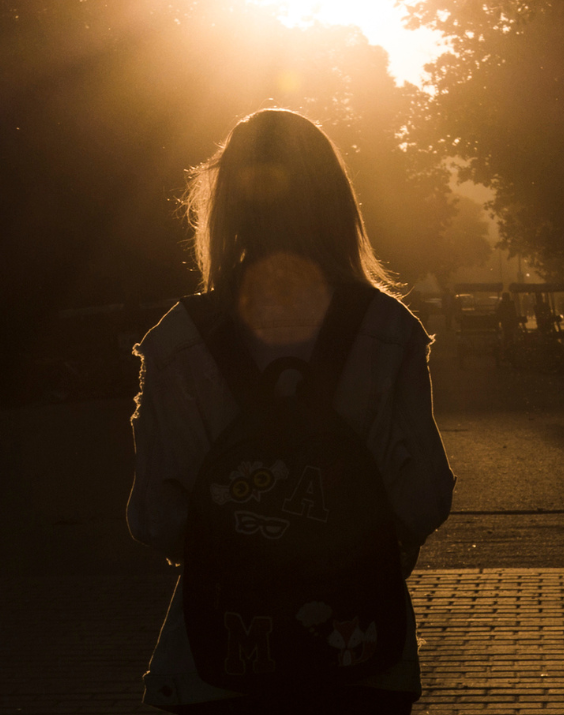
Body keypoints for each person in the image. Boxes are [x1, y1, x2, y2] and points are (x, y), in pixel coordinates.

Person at [128, 109, 455, 714]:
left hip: (219, 657)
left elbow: (154, 515)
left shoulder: (177, 341)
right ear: (337, 199)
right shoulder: (389, 330)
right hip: (358, 653)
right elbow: (425, 494)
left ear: (224, 203)